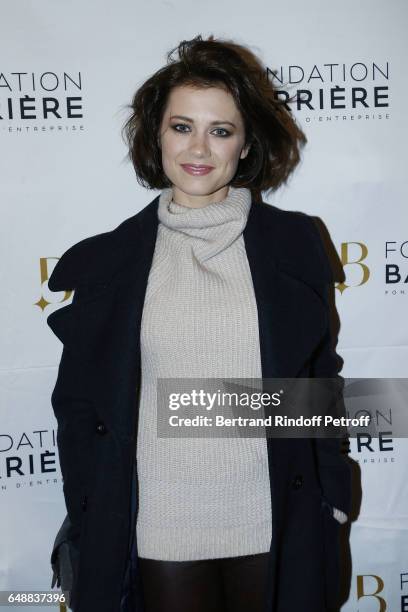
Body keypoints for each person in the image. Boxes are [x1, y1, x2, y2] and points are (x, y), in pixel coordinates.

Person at [47, 35, 352, 612]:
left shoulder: (294, 244)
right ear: (155, 136)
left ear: (245, 143)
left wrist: (331, 495)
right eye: (182, 126)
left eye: (221, 129)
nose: (199, 148)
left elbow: (321, 382)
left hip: (272, 514)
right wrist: (93, 506)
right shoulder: (106, 261)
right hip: (160, 520)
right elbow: (79, 406)